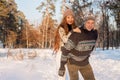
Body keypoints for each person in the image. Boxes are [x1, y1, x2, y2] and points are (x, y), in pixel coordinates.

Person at [58, 14, 98, 80]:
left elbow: (91, 47)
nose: (90, 25)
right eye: (88, 22)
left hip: (85, 62)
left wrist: (86, 56)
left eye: (92, 23)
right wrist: (62, 66)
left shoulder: (95, 33)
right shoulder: (77, 33)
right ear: (84, 22)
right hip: (73, 63)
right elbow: (65, 50)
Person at [53, 9, 80, 79]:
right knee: (62, 75)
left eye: (72, 17)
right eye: (68, 17)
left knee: (74, 75)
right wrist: (72, 31)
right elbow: (65, 40)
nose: (70, 19)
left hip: (70, 54)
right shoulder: (61, 28)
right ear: (65, 18)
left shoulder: (74, 27)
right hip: (61, 53)